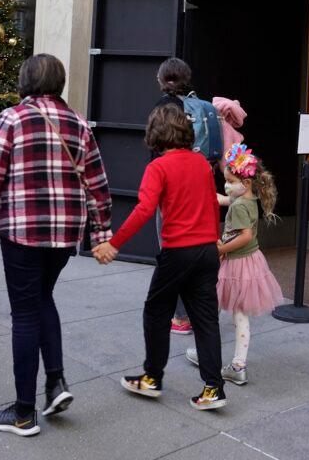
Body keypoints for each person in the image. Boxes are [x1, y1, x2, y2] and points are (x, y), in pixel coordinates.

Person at [0, 54, 112, 437]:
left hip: (22, 232)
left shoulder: (12, 119)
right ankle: (55, 384)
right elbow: (99, 189)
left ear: (25, 81)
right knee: (42, 299)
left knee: (24, 313)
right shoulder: (79, 124)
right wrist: (101, 236)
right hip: (65, 233)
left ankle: (23, 413)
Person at [92, 104, 227, 410]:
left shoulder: (158, 167)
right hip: (207, 250)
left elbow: (143, 209)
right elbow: (209, 204)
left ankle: (152, 378)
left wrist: (113, 243)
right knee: (206, 320)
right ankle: (213, 389)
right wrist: (213, 242)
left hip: (178, 251)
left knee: (156, 311)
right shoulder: (202, 164)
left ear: (155, 133)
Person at [186, 143, 283, 385]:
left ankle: (210, 354)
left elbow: (245, 236)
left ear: (246, 183)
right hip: (249, 264)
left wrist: (221, 248)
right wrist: (216, 197)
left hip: (236, 265)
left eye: (229, 181)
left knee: (216, 309)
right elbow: (228, 200)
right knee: (232, 313)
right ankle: (233, 363)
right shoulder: (248, 199)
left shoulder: (240, 205)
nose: (226, 186)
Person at [153, 57, 195, 337]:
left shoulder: (161, 110)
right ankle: (196, 310)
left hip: (169, 188)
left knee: (170, 251)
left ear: (161, 79)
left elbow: (154, 149)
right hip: (197, 184)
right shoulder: (197, 106)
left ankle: (180, 317)